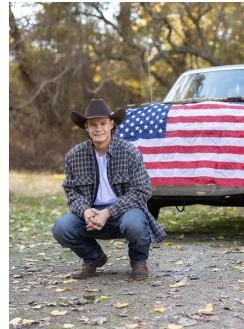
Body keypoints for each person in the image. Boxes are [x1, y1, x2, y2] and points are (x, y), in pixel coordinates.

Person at [51, 99, 166, 281]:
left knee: (135, 225)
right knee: (61, 228)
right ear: (86, 127)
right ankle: (93, 258)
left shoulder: (129, 152)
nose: (99, 129)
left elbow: (142, 190)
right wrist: (86, 211)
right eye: (93, 125)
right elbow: (71, 191)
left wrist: (108, 212)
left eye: (103, 123)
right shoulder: (74, 156)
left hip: (125, 212)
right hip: (91, 214)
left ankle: (138, 261)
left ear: (112, 124)